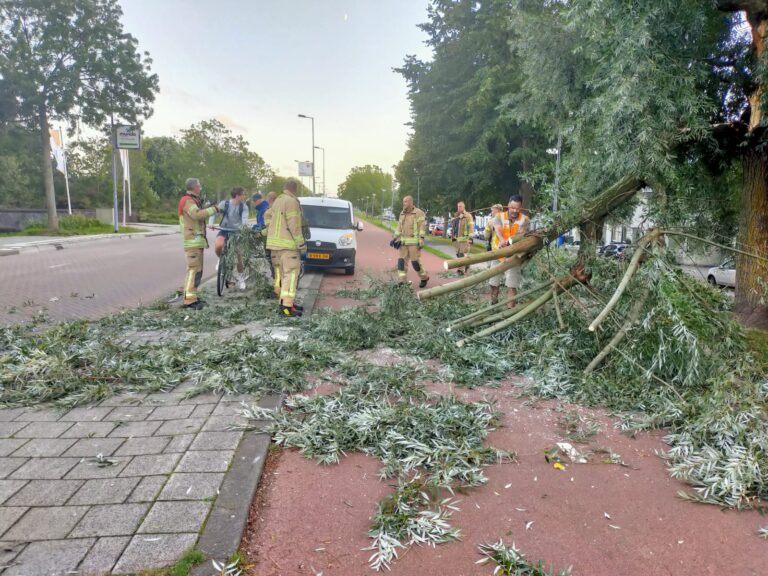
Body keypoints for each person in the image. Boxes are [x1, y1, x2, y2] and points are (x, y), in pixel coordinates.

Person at [266, 179, 306, 317]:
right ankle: (287, 308)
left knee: (284, 275)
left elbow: (268, 215)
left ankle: (286, 303)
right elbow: (294, 225)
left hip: (275, 246)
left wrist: (267, 231)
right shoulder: (292, 202)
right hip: (288, 246)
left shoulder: (278, 200)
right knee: (291, 275)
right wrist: (301, 244)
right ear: (295, 189)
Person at [179, 178, 219, 309]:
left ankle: (192, 296)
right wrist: (215, 209)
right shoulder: (187, 201)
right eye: (199, 186)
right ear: (194, 187)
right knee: (193, 270)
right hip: (192, 241)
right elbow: (197, 215)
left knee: (197, 271)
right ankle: (189, 300)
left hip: (196, 242)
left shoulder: (192, 200)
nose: (200, 188)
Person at [489, 195, 529, 307]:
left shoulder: (525, 220)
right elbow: (498, 229)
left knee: (512, 286)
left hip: (514, 257)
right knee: (493, 283)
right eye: (512, 208)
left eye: (517, 208)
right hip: (499, 255)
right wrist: (502, 240)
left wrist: (511, 244)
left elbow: (522, 235)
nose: (515, 211)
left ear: (521, 207)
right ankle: (493, 305)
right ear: (508, 205)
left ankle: (510, 311)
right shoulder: (499, 216)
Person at [209, 187, 250, 290]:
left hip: (236, 233)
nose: (244, 196)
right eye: (243, 194)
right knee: (218, 245)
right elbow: (214, 213)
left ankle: (241, 278)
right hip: (224, 229)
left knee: (239, 256)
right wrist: (211, 223)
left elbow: (244, 219)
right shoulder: (224, 204)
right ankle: (221, 259)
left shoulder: (243, 207)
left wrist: (244, 229)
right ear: (237, 195)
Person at [391, 195, 429, 288]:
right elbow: (399, 227)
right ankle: (402, 281)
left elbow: (422, 227)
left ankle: (424, 277)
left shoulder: (419, 213)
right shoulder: (402, 213)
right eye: (403, 202)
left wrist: (421, 239)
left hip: (414, 243)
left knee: (415, 263)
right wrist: (394, 238)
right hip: (403, 243)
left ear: (411, 202)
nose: (404, 203)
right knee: (401, 263)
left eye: (406, 202)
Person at [451, 201, 474, 276]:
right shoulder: (456, 215)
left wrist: (470, 238)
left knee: (462, 254)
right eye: (458, 206)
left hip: (464, 239)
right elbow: (454, 226)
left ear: (464, 207)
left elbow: (471, 227)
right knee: (458, 254)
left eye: (460, 206)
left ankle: (460, 270)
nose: (458, 208)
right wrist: (453, 236)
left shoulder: (468, 216)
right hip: (457, 239)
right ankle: (467, 265)